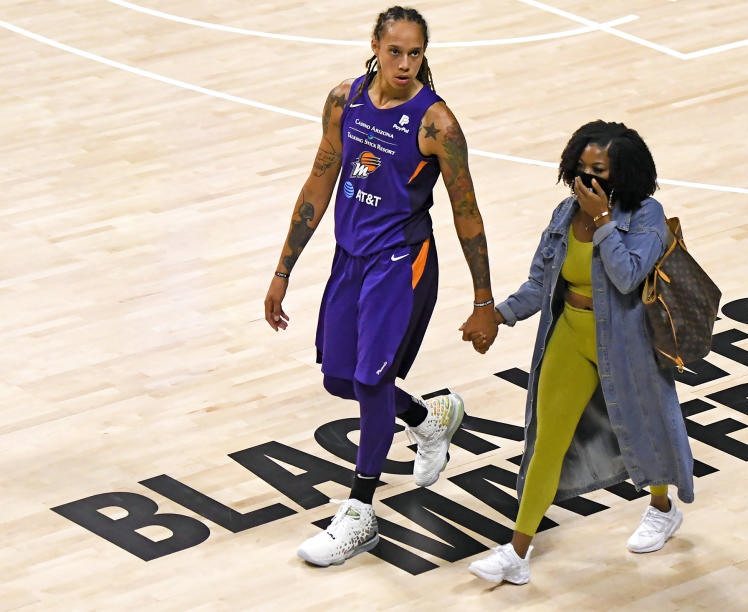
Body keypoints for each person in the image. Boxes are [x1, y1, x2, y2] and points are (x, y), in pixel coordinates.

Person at [263, 6, 498, 567]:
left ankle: (360, 512)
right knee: (341, 381)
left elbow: (468, 212)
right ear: (374, 45)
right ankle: (428, 418)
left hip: (402, 263)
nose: (405, 63)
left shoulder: (436, 124)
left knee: (372, 382)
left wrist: (483, 299)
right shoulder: (345, 101)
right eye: (395, 51)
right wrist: (282, 269)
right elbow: (320, 179)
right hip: (351, 259)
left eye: (416, 53)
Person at [466, 121, 695, 585]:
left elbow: (628, 275)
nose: (587, 181)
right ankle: (517, 552)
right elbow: (540, 283)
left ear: (624, 175)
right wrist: (499, 316)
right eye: (581, 169)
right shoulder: (563, 214)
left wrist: (604, 223)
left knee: (643, 428)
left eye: (600, 171)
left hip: (628, 345)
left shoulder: (646, 216)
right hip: (570, 334)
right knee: (545, 441)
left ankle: (662, 507)